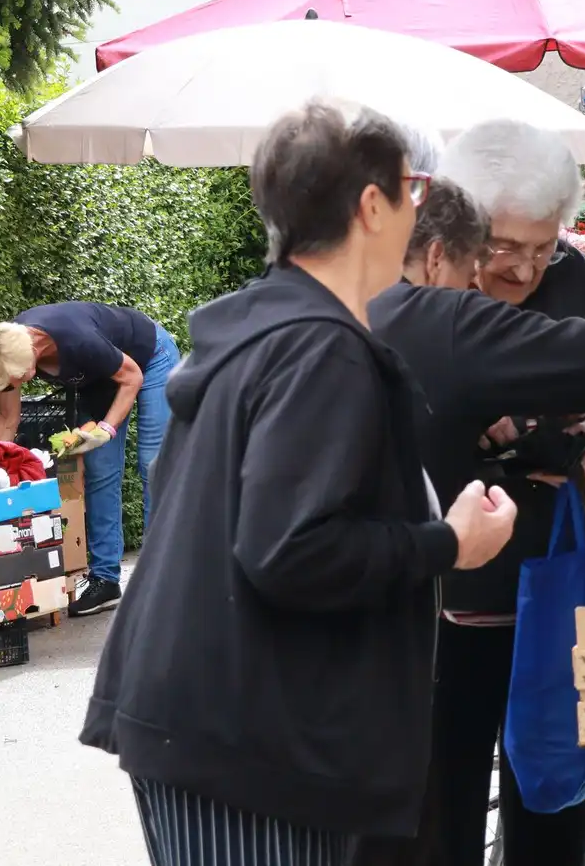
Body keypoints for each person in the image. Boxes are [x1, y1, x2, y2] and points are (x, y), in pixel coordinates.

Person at [79, 101, 519, 866]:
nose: (418, 209)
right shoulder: (321, 348)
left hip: (210, 722)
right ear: (372, 204)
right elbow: (291, 548)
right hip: (244, 739)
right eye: (413, 189)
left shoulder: (260, 329)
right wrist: (449, 542)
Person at [392, 122, 585, 866]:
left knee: (554, 802)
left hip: (551, 585)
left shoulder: (574, 278)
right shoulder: (415, 291)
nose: (527, 268)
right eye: (506, 246)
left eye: (543, 247)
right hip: (442, 603)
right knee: (438, 814)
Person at [0, 303, 181, 616]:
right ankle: (105, 581)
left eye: (13, 379)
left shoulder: (77, 339)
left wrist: (106, 429)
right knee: (100, 471)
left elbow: (132, 376)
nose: (12, 385)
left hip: (149, 360)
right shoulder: (7, 347)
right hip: (100, 380)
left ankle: (164, 576)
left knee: (154, 465)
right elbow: (6, 418)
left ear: (31, 357)